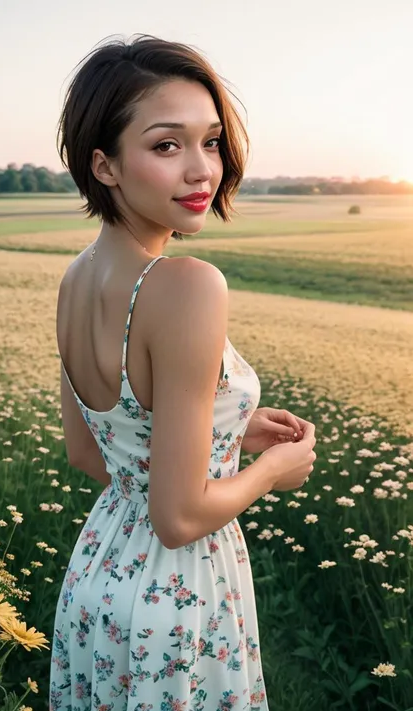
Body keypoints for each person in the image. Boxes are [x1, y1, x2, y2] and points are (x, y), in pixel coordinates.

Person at [50, 33, 316, 711]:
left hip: (98, 581)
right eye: (167, 145)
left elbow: (91, 449)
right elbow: (178, 516)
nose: (203, 170)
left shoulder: (76, 278)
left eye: (211, 141)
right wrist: (270, 472)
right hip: (178, 597)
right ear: (104, 166)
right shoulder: (187, 285)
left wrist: (220, 432)